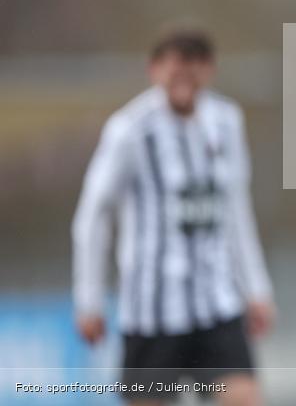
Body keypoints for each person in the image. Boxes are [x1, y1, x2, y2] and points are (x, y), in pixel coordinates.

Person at [72, 29, 275, 406]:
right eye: (175, 69)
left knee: (244, 398)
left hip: (217, 304)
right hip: (152, 313)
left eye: (194, 68)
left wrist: (257, 289)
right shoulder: (129, 130)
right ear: (154, 70)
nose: (184, 79)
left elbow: (236, 209)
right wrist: (89, 299)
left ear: (209, 70)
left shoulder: (226, 122)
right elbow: (94, 214)